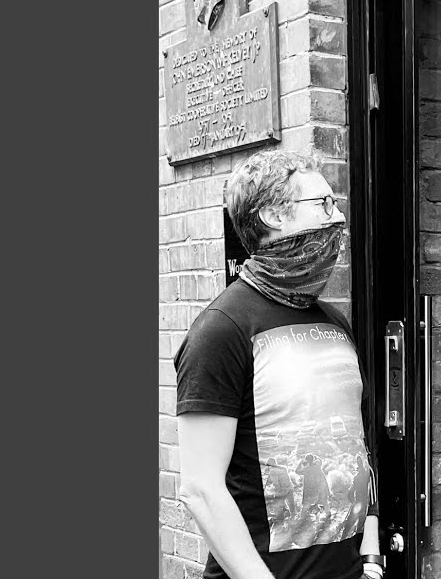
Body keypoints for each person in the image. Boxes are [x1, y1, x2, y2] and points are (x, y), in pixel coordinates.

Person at [174, 148, 385, 579]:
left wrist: (371, 557)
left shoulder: (334, 322)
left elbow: (358, 450)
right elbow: (200, 489)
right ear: (273, 215)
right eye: (324, 203)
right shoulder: (221, 330)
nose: (338, 217)